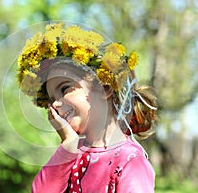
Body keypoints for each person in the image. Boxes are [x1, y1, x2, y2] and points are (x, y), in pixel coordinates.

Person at [17, 22, 157, 193]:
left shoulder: (131, 162)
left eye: (64, 89)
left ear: (105, 87)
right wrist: (68, 145)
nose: (55, 104)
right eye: (51, 99)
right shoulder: (71, 153)